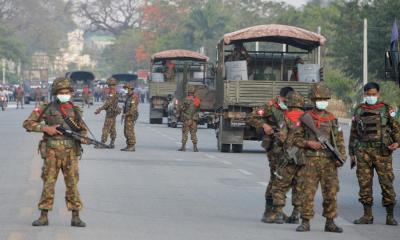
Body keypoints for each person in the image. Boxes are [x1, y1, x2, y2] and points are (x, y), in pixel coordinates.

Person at [22, 77, 87, 227]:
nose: (64, 94)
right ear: (55, 93)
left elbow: (82, 129)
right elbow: (27, 123)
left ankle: (75, 216)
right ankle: (44, 216)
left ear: (71, 92)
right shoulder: (46, 107)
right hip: (51, 152)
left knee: (72, 184)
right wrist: (46, 128)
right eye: (61, 92)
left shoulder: (76, 110)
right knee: (49, 183)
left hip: (70, 152)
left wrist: (83, 138)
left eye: (67, 92)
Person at [292, 83, 345, 233]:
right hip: (310, 161)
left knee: (331, 193)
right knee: (307, 192)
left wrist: (340, 158)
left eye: (325, 99)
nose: (322, 101)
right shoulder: (305, 118)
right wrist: (309, 143)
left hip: (329, 162)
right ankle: (305, 222)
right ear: (313, 100)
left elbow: (339, 141)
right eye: (319, 98)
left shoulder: (332, 119)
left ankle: (330, 222)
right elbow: (294, 139)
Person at [349, 82, 399, 226]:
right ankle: (367, 215)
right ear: (364, 94)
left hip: (382, 152)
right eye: (368, 94)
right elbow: (353, 133)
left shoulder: (386, 109)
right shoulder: (358, 110)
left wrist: (397, 142)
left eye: (373, 94)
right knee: (364, 184)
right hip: (363, 152)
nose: (371, 97)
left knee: (387, 183)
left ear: (378, 94)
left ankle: (390, 216)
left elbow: (396, 128)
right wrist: (352, 153)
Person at [247, 86, 294, 223]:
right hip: (274, 147)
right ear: (280, 97)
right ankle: (269, 211)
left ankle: (277, 210)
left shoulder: (291, 107)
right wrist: (264, 125)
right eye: (286, 100)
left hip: (288, 147)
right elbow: (251, 117)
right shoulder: (270, 106)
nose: (288, 102)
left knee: (285, 179)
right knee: (276, 177)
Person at [269, 91, 305, 224]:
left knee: (280, 185)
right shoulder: (308, 117)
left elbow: (282, 136)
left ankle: (278, 213)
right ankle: (296, 214)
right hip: (304, 158)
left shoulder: (285, 117)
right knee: (299, 185)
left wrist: (279, 146)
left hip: (288, 156)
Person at [95, 78, 121, 148]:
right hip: (113, 112)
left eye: (109, 85)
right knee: (112, 127)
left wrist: (100, 109)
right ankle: (112, 142)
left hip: (110, 112)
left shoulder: (112, 92)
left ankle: (102, 142)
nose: (109, 86)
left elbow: (108, 103)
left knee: (106, 127)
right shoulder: (115, 91)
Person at [178, 86, 201, 152]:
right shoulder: (197, 100)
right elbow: (198, 108)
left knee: (185, 133)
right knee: (193, 133)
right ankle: (195, 147)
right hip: (194, 120)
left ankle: (183, 147)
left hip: (186, 119)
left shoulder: (185, 99)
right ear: (194, 93)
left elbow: (181, 108)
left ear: (188, 92)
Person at [121, 82, 139, 152]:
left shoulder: (134, 97)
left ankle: (132, 146)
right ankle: (128, 145)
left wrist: (126, 114)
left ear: (130, 89)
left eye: (126, 89)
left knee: (129, 131)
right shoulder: (128, 97)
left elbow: (133, 109)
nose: (125, 90)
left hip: (130, 116)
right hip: (127, 116)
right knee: (126, 131)